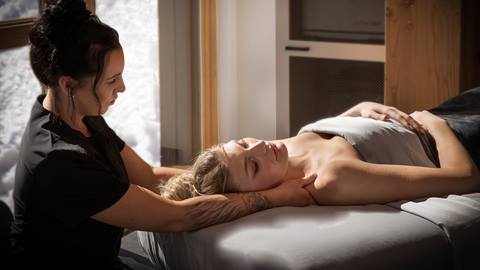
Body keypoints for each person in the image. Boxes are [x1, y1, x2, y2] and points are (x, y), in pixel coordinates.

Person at [8, 1, 315, 268]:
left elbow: (149, 174)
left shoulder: (81, 117)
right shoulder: (57, 160)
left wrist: (223, 175)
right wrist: (274, 197)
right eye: (112, 80)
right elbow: (177, 217)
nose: (123, 88)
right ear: (68, 84)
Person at [160, 96, 480, 205]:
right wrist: (436, 125)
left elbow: (344, 129)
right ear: (252, 193)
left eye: (244, 143)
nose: (260, 146)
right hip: (463, 139)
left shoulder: (281, 151)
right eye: (252, 166)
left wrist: (362, 107)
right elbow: (465, 180)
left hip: (444, 114)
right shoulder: (332, 179)